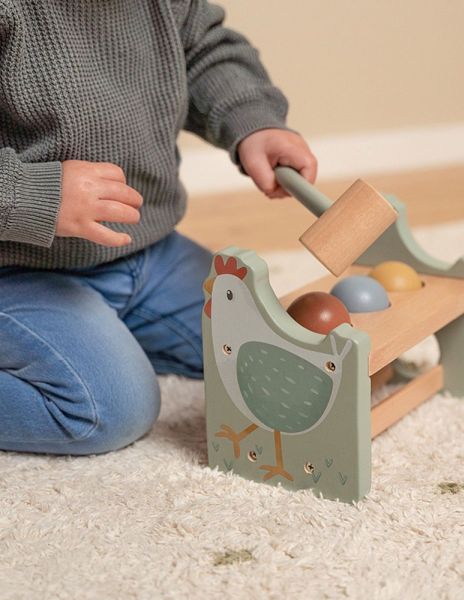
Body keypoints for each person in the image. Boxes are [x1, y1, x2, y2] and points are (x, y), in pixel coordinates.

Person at [0, 1, 317, 455]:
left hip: (146, 250)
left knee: (271, 344)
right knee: (107, 407)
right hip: (15, 271)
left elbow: (204, 51)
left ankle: (106, 330)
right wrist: (29, 193)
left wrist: (252, 119)